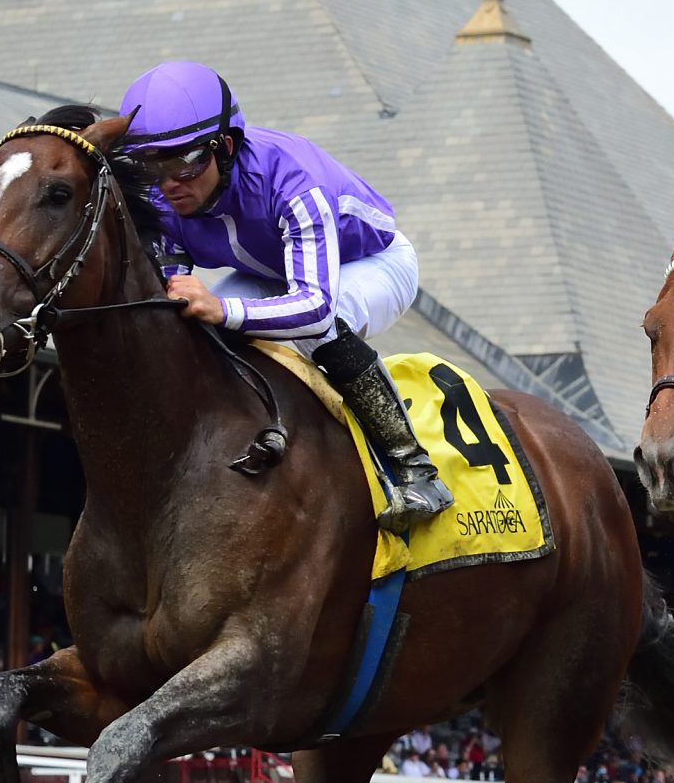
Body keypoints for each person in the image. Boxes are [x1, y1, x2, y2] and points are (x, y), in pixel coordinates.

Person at [113, 62, 453, 532]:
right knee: (194, 329)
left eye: (186, 161)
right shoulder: (160, 198)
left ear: (225, 147)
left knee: (319, 331)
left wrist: (225, 308)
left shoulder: (291, 178)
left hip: (369, 263)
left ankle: (416, 468)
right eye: (152, 164)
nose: (171, 182)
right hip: (271, 270)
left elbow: (312, 309)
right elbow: (170, 296)